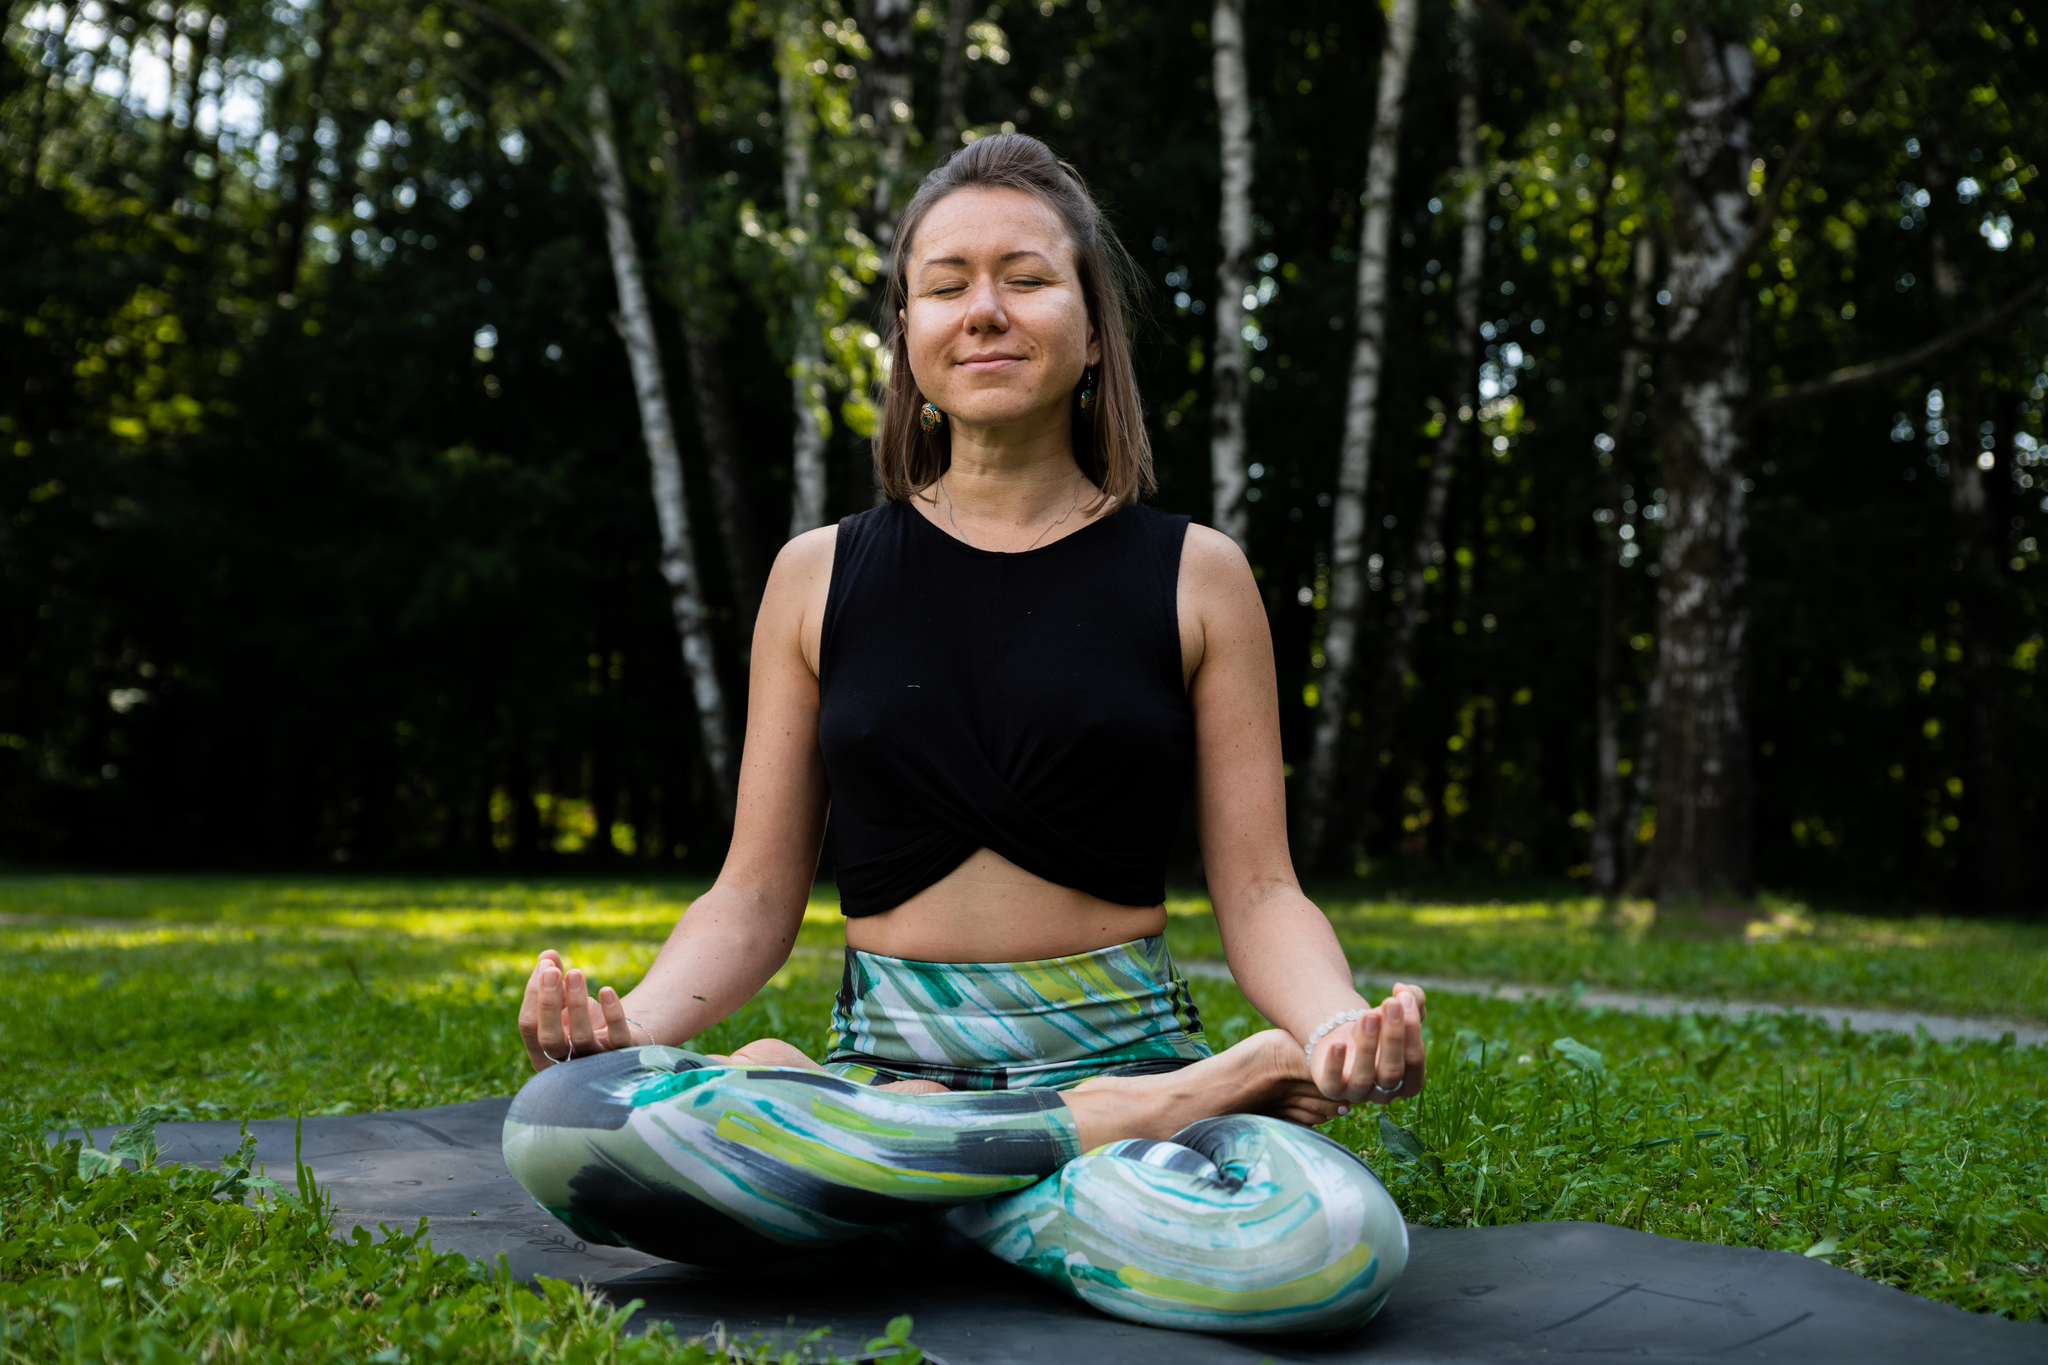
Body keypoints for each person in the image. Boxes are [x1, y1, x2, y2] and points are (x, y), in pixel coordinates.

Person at [502, 133, 1427, 1337]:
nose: (983, 312)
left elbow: (1257, 891)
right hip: (896, 1076)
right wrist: (633, 1030)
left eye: (1024, 278)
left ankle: (883, 1193)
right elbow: (751, 896)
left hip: (1110, 1060)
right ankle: (1063, 1159)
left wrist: (1328, 1025)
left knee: (1331, 1246)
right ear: (908, 333)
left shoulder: (1199, 577)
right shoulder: (814, 576)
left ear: (1092, 330)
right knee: (563, 1127)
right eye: (945, 285)